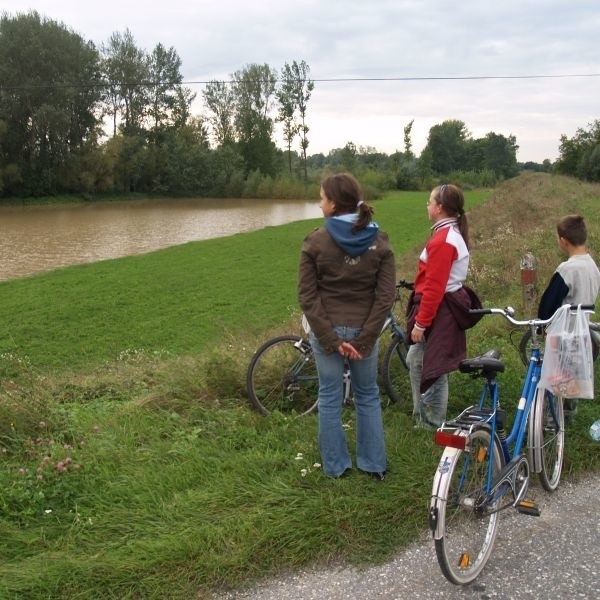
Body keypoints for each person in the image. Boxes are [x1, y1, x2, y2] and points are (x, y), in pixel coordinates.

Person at [298, 173, 396, 480]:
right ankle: (373, 464)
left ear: (334, 204)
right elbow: (385, 297)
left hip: (327, 330)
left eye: (322, 198)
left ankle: (336, 467)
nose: (319, 202)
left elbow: (307, 295)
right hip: (363, 332)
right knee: (367, 395)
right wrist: (366, 339)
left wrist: (328, 337)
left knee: (329, 396)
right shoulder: (380, 241)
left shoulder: (315, 240)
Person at [406, 183, 478, 429]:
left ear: (439, 208)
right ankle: (426, 418)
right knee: (419, 360)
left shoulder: (444, 240)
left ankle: (432, 421)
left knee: (430, 365)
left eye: (429, 201)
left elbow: (435, 287)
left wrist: (421, 323)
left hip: (440, 311)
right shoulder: (448, 233)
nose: (427, 205)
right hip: (443, 308)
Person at [537, 214, 600, 419]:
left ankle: (550, 421)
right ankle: (568, 418)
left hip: (564, 333)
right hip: (584, 333)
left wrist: (541, 325)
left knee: (556, 380)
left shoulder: (568, 269)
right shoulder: (592, 266)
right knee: (573, 379)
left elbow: (549, 304)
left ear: (563, 240)